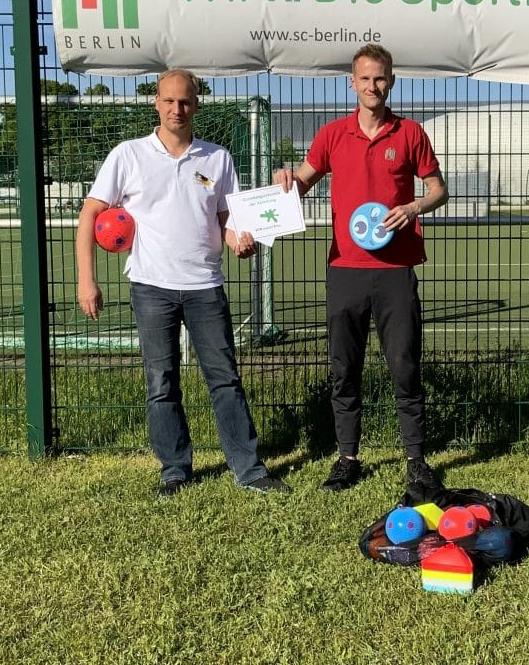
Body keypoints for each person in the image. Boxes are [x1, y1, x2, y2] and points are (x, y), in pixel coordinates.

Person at [76, 69, 289, 497]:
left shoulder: (217, 159)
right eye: (169, 101)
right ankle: (174, 469)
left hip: (205, 285)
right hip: (150, 286)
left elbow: (228, 220)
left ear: (197, 103)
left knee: (225, 378)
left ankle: (248, 470)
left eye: (186, 101)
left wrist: (238, 243)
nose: (178, 109)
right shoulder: (128, 155)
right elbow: (89, 216)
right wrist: (87, 280)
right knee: (161, 381)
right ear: (156, 102)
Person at [274, 43, 448, 496]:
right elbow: (302, 185)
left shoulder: (410, 134)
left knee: (405, 366)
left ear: (391, 81)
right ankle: (347, 458)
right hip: (345, 270)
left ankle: (417, 461)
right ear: (352, 83)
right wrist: (286, 179)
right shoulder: (331, 135)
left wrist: (413, 207)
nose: (373, 86)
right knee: (343, 368)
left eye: (381, 78)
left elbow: (438, 190)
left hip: (395, 271)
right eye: (365, 78)